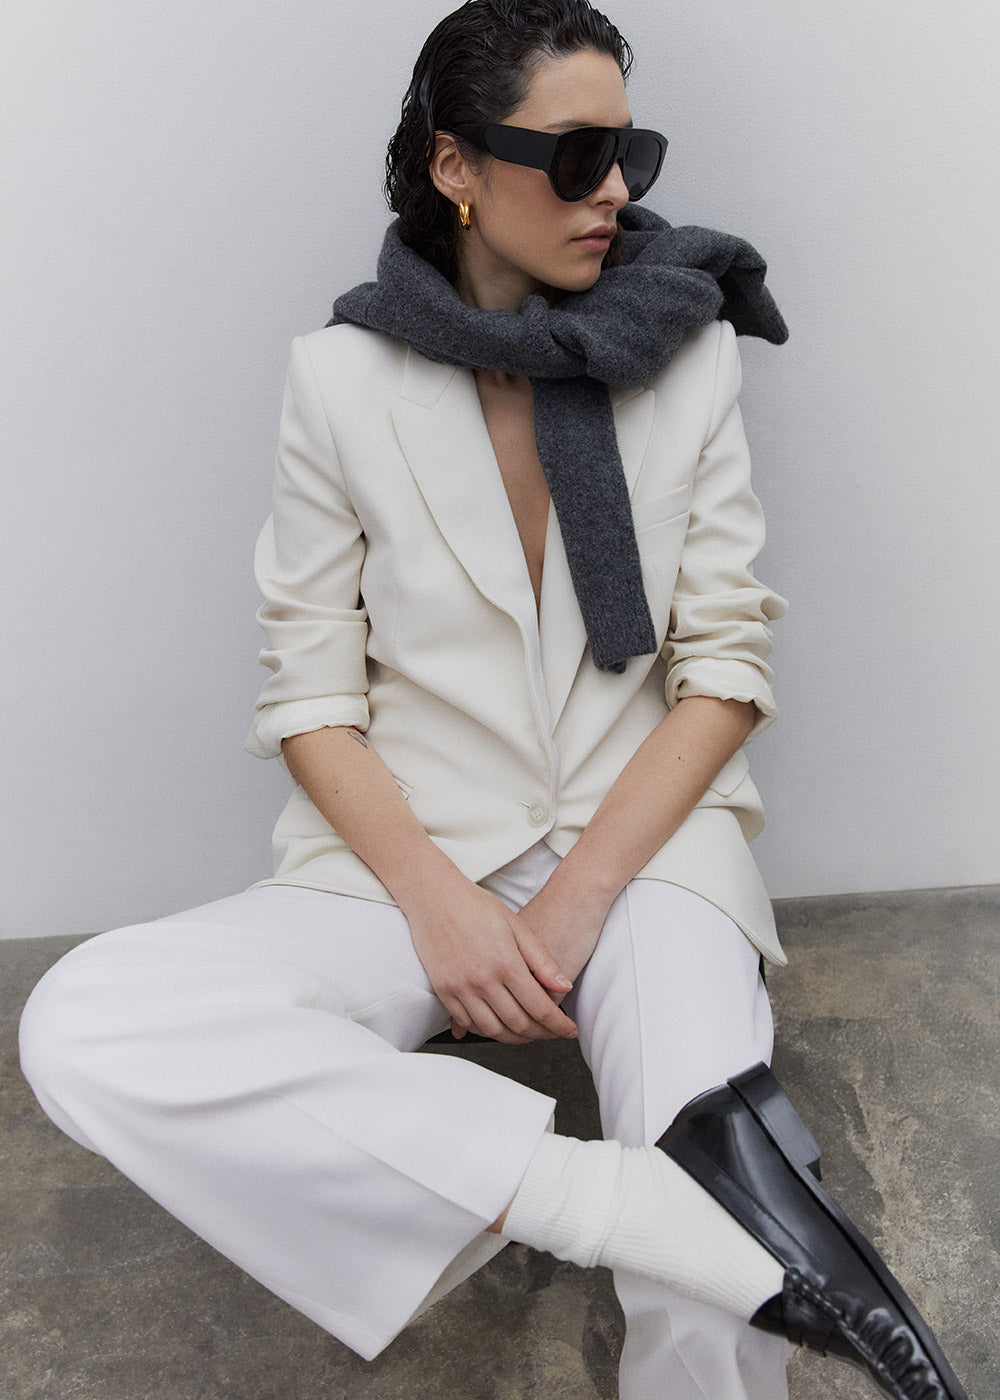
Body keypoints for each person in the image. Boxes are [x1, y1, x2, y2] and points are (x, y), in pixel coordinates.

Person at [19, 3, 964, 1398]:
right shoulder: (342, 378)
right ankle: (614, 1200)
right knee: (85, 1022)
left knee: (713, 1247)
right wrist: (442, 908)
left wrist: (575, 899)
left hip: (644, 849)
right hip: (413, 849)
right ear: (456, 166)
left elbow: (724, 670)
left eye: (630, 150)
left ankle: (681, 1213)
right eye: (576, 154)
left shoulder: (686, 347)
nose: (616, 188)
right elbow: (310, 695)